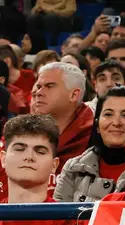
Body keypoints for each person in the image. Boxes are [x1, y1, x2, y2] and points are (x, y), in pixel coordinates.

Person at [5, 62, 95, 199]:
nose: (38, 93)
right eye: (39, 86)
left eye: (49, 86)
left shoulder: (96, 139)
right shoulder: (17, 134)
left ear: (74, 95)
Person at [54, 87, 125, 202]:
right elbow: (59, 217)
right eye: (108, 114)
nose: (116, 122)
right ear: (97, 125)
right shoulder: (73, 169)